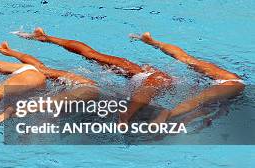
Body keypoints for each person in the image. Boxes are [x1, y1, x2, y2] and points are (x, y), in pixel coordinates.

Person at [14, 27, 173, 124]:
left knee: (93, 55)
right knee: (151, 85)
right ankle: (44, 37)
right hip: (149, 80)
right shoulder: (161, 80)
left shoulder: (147, 77)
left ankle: (45, 37)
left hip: (140, 78)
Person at [131, 32, 245, 123]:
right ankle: (167, 114)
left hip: (229, 81)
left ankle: (153, 42)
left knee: (187, 59)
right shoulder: (231, 85)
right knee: (200, 98)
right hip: (231, 82)